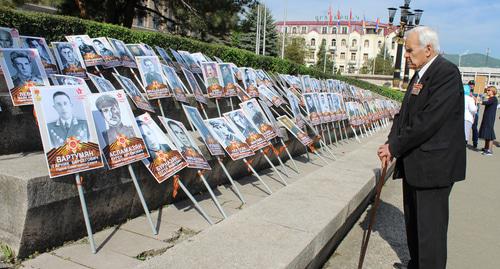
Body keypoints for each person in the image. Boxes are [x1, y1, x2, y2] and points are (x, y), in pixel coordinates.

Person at [377, 26, 465, 269]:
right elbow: (403, 115)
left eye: (409, 50)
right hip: (417, 164)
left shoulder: (446, 73)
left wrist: (395, 146)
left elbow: (428, 121)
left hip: (434, 167)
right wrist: (389, 142)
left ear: (428, 49)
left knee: (430, 231)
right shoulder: (420, 74)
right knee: (415, 224)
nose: (406, 55)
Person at [478, 86, 498, 155]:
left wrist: (479, 101)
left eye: (489, 90)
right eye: (487, 90)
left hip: (490, 118)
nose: (487, 91)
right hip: (487, 117)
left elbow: (486, 103)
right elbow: (486, 101)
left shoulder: (494, 98)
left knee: (489, 133)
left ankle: (490, 150)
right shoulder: (490, 98)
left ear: (493, 91)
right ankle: (486, 148)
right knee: (486, 132)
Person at [468, 80, 480, 148]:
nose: (471, 85)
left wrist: (472, 96)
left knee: (474, 128)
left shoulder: (478, 93)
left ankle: (475, 142)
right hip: (467, 113)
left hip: (475, 113)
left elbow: (478, 101)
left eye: (473, 84)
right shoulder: (466, 92)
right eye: (470, 84)